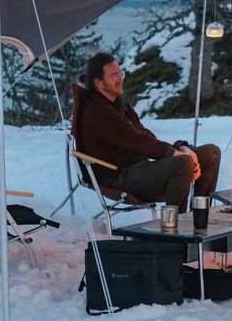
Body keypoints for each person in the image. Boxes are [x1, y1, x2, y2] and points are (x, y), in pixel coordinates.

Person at [79, 52, 220, 212]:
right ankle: (176, 224)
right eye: (114, 76)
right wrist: (175, 154)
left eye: (120, 74)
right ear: (98, 83)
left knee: (211, 153)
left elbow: (145, 136)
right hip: (117, 176)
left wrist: (179, 147)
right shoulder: (97, 109)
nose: (120, 79)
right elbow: (133, 139)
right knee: (183, 163)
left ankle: (200, 216)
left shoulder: (120, 105)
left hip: (139, 168)